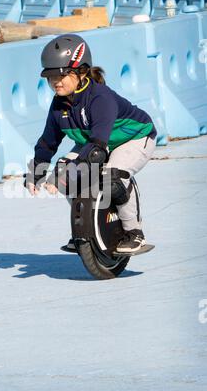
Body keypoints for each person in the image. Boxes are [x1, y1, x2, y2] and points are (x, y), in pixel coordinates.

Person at [24, 34, 157, 253]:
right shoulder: (58, 106)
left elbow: (97, 147)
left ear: (81, 72)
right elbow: (48, 142)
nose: (55, 81)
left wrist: (76, 167)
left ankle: (134, 232)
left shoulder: (99, 98)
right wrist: (36, 171)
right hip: (96, 143)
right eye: (50, 77)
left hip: (135, 138)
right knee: (63, 177)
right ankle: (85, 230)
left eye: (62, 75)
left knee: (114, 176)